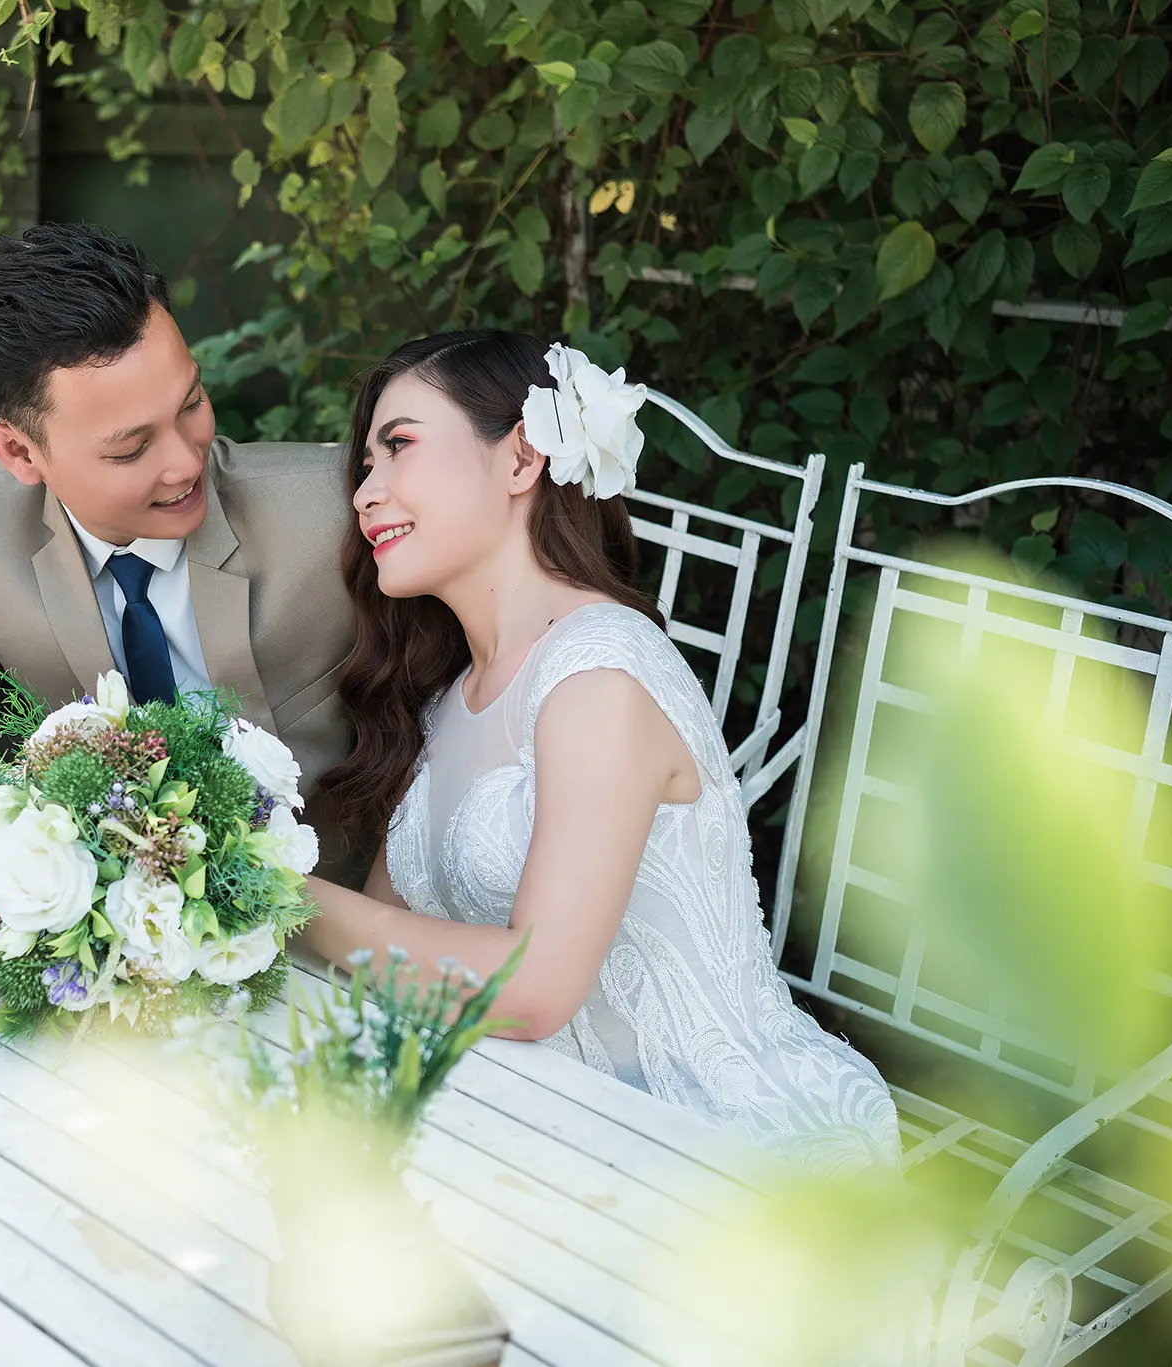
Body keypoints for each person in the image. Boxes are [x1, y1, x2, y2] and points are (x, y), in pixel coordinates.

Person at [300, 330, 900, 1174]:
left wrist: (281, 895)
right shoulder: (447, 699)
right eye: (365, 466)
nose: (366, 493)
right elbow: (382, 945)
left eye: (398, 446)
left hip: (710, 1137)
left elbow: (534, 987)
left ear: (521, 457)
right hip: (535, 1112)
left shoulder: (599, 674)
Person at [0, 223, 358, 871]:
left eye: (192, 403)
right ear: (20, 453)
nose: (186, 463)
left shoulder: (336, 512)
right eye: (131, 448)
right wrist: (66, 840)